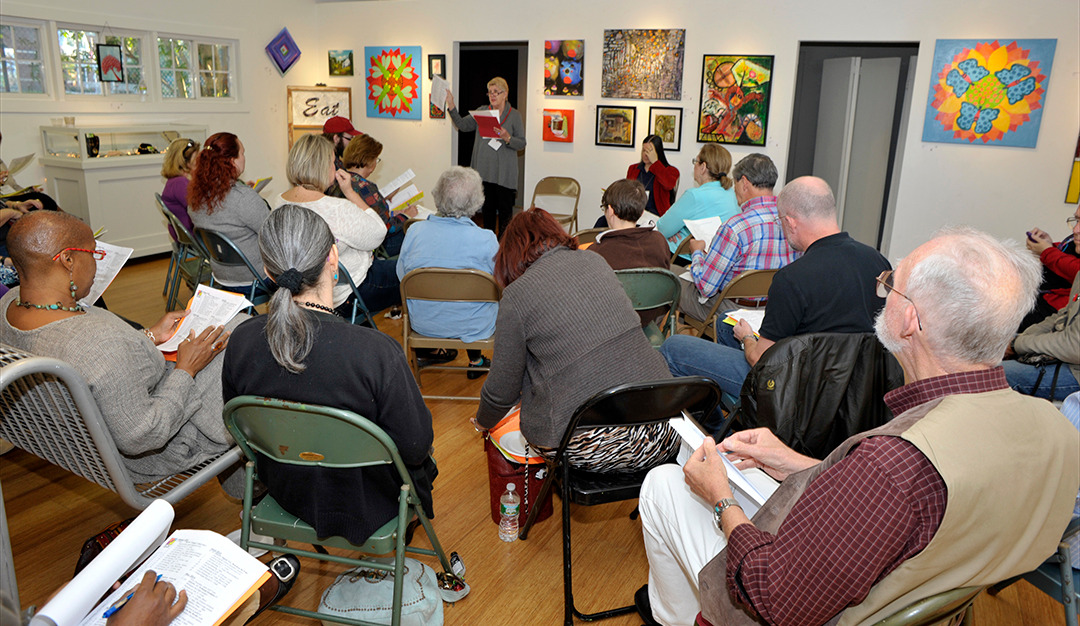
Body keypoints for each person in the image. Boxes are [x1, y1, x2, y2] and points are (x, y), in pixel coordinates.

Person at [637, 226, 1079, 626]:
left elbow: (771, 597)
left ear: (910, 320)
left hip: (795, 608)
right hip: (914, 597)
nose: (883, 295)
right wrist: (799, 464)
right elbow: (921, 514)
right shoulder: (1054, 429)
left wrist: (720, 499)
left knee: (665, 484)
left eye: (891, 287)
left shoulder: (893, 465)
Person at [222, 205, 436, 545]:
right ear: (333, 258)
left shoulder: (242, 341)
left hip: (287, 491)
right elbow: (415, 447)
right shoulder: (376, 352)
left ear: (267, 271)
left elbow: (245, 433)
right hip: (369, 505)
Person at [0, 211, 235, 484]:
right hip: (148, 454)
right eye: (93, 253)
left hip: (83, 445)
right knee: (240, 348)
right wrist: (186, 369)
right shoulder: (101, 343)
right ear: (67, 260)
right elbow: (144, 435)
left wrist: (150, 335)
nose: (97, 262)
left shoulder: (9, 305)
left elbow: (95, 365)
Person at [473, 208, 677, 473]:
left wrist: (482, 422)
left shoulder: (517, 296)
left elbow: (502, 391)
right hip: (663, 428)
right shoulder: (594, 261)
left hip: (597, 447)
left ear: (510, 255)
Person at [662, 176, 889, 411]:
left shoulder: (792, 278)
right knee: (724, 323)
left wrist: (749, 338)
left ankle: (721, 429)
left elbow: (761, 360)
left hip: (791, 390)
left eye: (780, 221)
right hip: (855, 389)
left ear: (790, 222)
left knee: (674, 347)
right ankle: (741, 415)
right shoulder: (878, 262)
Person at [271, 134, 397, 317]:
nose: (335, 166)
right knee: (410, 274)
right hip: (346, 292)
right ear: (322, 167)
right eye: (332, 162)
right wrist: (351, 193)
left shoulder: (279, 201)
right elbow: (378, 233)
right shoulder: (336, 208)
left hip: (299, 291)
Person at [396, 166, 498, 377]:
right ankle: (477, 360)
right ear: (477, 201)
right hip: (476, 327)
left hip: (425, 324)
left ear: (437, 195)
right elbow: (500, 285)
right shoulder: (486, 239)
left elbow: (401, 276)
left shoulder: (414, 231)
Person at [679, 153, 797, 322]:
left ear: (744, 183)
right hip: (773, 311)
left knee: (671, 280)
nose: (734, 189)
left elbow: (706, 288)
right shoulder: (792, 222)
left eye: (735, 183)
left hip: (731, 312)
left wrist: (697, 253)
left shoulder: (735, 227)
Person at [187, 132, 270, 296]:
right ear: (232, 161)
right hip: (254, 278)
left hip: (220, 276)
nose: (244, 158)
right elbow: (273, 233)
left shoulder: (195, 198)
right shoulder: (243, 198)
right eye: (242, 153)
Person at [446, 77, 526, 236]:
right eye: (490, 92)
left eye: (497, 92)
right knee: (487, 212)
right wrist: (451, 105)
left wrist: (507, 137)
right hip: (484, 171)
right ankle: (488, 245)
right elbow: (462, 125)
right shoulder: (482, 111)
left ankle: (504, 248)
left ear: (505, 94)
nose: (493, 95)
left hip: (504, 174)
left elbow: (522, 143)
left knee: (505, 215)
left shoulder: (514, 115)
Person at [589, 179, 670, 326]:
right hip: (648, 318)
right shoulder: (659, 241)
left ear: (611, 210)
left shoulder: (596, 252)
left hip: (610, 323)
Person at [328, 134, 418, 258]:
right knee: (415, 233)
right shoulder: (367, 188)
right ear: (369, 161)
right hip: (373, 247)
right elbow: (385, 228)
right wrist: (406, 215)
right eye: (376, 159)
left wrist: (393, 214)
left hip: (347, 244)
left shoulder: (337, 180)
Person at [1002, 272, 1079, 400]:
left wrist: (1016, 345)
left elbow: (1074, 347)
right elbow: (1062, 316)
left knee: (993, 374)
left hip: (1075, 371)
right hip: (1068, 357)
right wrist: (1019, 339)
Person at [655, 144, 740, 253]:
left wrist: (677, 231)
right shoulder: (732, 194)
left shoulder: (694, 196)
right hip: (719, 259)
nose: (694, 166)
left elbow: (662, 228)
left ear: (703, 167)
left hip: (688, 259)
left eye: (696, 161)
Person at [1019, 206, 1080, 330]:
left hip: (1055, 315)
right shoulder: (1072, 241)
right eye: (1077, 220)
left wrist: (1047, 251)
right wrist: (1049, 245)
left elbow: (1076, 269)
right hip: (1044, 303)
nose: (1075, 229)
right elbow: (1068, 255)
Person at [627, 135, 680, 218]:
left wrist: (655, 162)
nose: (645, 154)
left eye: (649, 151)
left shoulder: (671, 171)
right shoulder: (633, 169)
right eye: (644, 150)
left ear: (657, 152)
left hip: (656, 216)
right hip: (634, 214)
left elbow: (668, 185)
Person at [159, 138, 200, 241]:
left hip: (184, 232)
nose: (198, 162)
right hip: (192, 234)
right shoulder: (180, 183)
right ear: (183, 161)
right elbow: (199, 208)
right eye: (196, 159)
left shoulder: (175, 181)